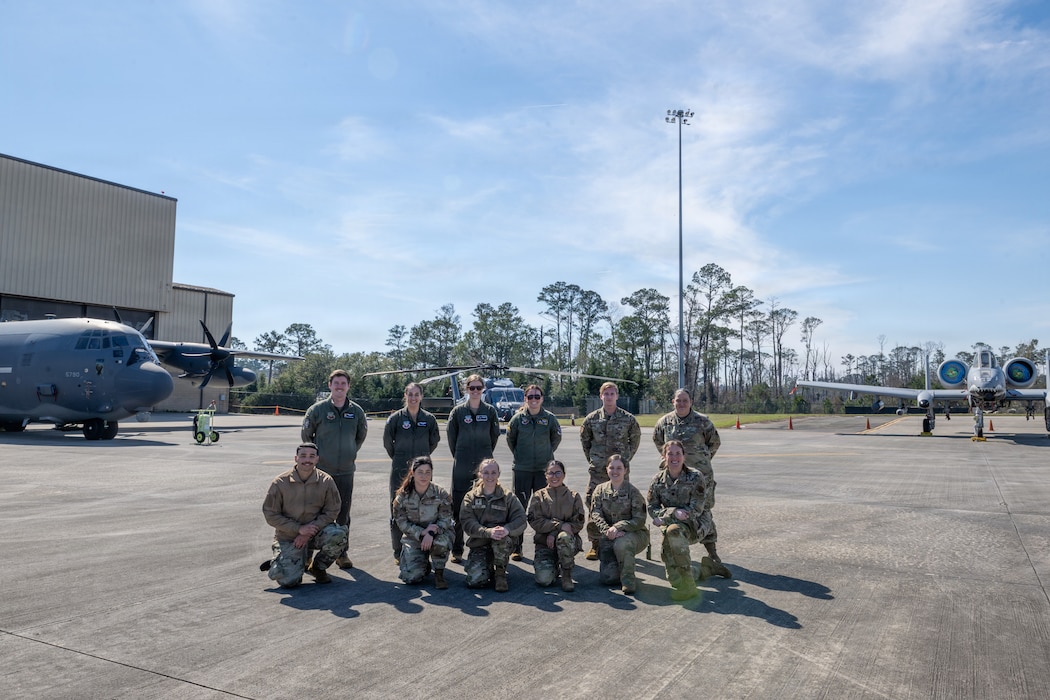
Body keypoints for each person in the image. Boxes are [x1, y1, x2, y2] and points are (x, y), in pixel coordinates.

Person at [301, 369, 368, 570]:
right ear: (330, 385)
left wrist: (350, 452)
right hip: (321, 472)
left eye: (343, 383)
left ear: (348, 386)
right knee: (314, 513)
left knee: (343, 514)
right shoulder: (317, 410)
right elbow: (307, 437)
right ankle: (308, 555)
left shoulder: (357, 412)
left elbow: (360, 436)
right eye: (336, 383)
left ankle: (341, 553)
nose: (339, 387)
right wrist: (316, 458)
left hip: (346, 472)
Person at [261, 442, 348, 588]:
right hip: (289, 536)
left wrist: (308, 532)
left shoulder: (326, 481)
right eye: (303, 456)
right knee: (289, 582)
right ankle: (281, 560)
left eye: (312, 456)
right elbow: (270, 514)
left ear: (317, 459)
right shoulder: (280, 483)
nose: (307, 460)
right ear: (296, 458)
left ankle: (318, 568)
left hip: (316, 533)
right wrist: (298, 529)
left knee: (338, 535)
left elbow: (332, 510)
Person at [652, 388, 724, 563]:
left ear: (691, 402)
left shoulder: (703, 421)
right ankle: (674, 548)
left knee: (703, 512)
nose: (682, 403)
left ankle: (712, 551)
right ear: (673, 402)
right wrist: (671, 461)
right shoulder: (664, 422)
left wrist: (701, 460)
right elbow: (659, 441)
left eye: (685, 400)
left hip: (701, 478)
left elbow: (714, 442)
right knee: (673, 512)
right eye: (678, 400)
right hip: (675, 479)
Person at [647, 440, 725, 601]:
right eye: (670, 454)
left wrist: (666, 517)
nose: (674, 457)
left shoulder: (695, 477)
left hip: (696, 525)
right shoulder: (657, 480)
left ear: (684, 456)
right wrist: (673, 513)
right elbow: (651, 507)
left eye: (678, 453)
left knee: (674, 531)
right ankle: (707, 569)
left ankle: (689, 587)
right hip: (671, 527)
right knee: (675, 579)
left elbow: (696, 510)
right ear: (664, 456)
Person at [580, 381, 640, 560]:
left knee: (622, 505)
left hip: (619, 473)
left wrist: (624, 461)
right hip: (598, 471)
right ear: (601, 396)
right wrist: (595, 460)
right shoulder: (591, 419)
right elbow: (585, 442)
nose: (609, 397)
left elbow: (634, 440)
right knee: (594, 504)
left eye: (612, 393)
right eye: (606, 394)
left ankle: (621, 542)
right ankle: (595, 543)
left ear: (617, 396)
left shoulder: (628, 419)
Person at [383, 382, 441, 561]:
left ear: (421, 396)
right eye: (410, 394)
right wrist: (400, 458)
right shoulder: (395, 419)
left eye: (417, 394)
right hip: (400, 469)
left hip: (423, 471)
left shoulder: (429, 419)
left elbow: (434, 441)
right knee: (397, 508)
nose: (413, 398)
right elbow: (388, 442)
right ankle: (397, 551)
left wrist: (421, 461)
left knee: (426, 508)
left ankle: (423, 547)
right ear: (405, 396)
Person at [447, 374, 500, 563]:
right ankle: (457, 548)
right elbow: (452, 438)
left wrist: (485, 455)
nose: (475, 391)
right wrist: (461, 454)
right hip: (462, 466)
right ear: (466, 389)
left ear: (483, 389)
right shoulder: (458, 412)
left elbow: (494, 436)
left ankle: (482, 548)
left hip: (484, 468)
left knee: (485, 507)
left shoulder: (490, 411)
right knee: (458, 508)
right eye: (472, 388)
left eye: (479, 388)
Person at [506, 384, 562, 560]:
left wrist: (545, 455)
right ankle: (517, 547)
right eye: (530, 397)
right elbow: (511, 440)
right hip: (522, 470)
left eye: (537, 396)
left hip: (543, 471)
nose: (534, 400)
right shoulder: (517, 419)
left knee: (544, 509)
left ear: (542, 399)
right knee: (519, 508)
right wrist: (521, 456)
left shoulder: (550, 419)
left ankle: (543, 546)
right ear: (525, 399)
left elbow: (555, 439)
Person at [459, 458, 527, 592]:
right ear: (480, 474)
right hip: (480, 542)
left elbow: (521, 519)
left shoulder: (508, 496)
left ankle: (500, 573)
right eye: (486, 472)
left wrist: (507, 529)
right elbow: (467, 522)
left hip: (502, 542)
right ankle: (488, 566)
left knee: (501, 539)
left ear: (498, 474)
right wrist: (488, 532)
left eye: (493, 472)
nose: (490, 476)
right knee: (475, 580)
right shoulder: (471, 497)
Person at [392, 455, 454, 590]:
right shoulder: (403, 496)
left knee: (441, 542)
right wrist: (421, 532)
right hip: (414, 536)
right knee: (410, 577)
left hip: (437, 533)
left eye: (427, 472)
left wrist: (431, 532)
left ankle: (439, 573)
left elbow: (446, 519)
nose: (424, 476)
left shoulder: (440, 493)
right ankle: (424, 564)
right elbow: (401, 522)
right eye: (420, 472)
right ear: (413, 473)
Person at [590, 454, 649, 595]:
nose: (615, 471)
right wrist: (608, 530)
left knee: (622, 543)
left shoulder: (633, 492)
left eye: (619, 468)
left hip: (634, 534)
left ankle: (628, 579)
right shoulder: (600, 490)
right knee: (608, 578)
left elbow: (639, 519)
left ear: (625, 470)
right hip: (609, 535)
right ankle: (619, 567)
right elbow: (596, 514)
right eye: (612, 468)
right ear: (606, 469)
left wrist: (618, 527)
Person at [526, 459, 585, 591]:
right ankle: (553, 566)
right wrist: (558, 526)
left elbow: (578, 523)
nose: (554, 477)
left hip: (567, 543)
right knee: (544, 580)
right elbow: (535, 521)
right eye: (551, 473)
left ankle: (566, 574)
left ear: (564, 475)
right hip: (544, 544)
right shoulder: (538, 496)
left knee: (564, 536)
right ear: (546, 475)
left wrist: (553, 533)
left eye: (558, 473)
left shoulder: (573, 496)